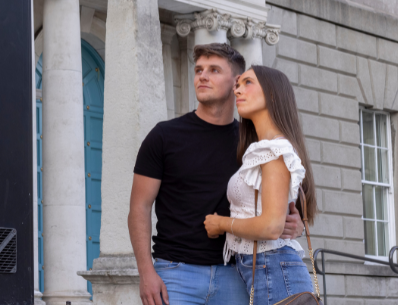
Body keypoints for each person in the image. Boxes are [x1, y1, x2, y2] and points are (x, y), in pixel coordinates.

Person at [129, 44, 305, 305]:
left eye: (213, 70)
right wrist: (146, 272)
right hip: (176, 274)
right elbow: (139, 207)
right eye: (198, 69)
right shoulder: (164, 136)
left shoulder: (254, 145)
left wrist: (295, 224)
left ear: (236, 83)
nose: (202, 76)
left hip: (237, 274)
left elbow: (286, 206)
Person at [204, 65, 318, 304]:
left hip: (276, 272)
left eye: (248, 83)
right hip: (267, 271)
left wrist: (220, 224)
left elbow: (271, 228)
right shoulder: (262, 149)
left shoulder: (275, 151)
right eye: (237, 85)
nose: (237, 91)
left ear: (273, 94)